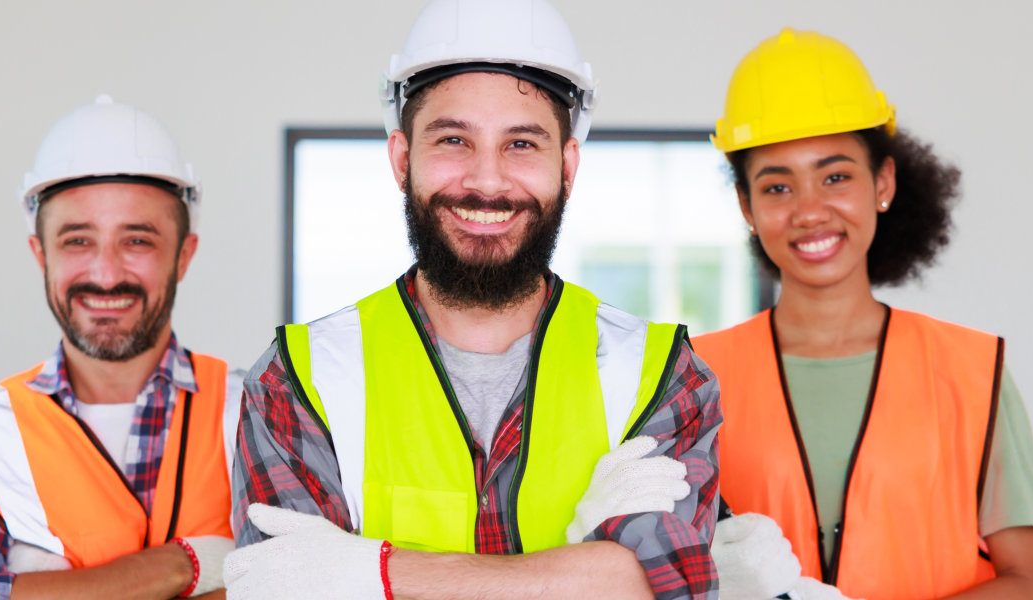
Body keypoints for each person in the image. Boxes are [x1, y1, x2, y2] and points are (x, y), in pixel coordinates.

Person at [221, 1, 722, 598]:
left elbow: (670, 588)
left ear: (567, 166)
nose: (486, 181)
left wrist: (374, 572)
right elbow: (279, 588)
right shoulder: (297, 381)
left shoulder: (663, 376)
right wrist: (585, 574)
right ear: (403, 159)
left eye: (522, 144)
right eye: (454, 139)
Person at [695, 29, 1033, 600]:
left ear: (882, 183)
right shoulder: (695, 375)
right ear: (747, 207)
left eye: (835, 176)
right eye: (777, 187)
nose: (810, 211)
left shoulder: (970, 370)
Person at [0, 95, 237, 599]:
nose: (107, 274)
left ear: (183, 255)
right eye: (77, 241)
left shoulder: (254, 412)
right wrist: (183, 565)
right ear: (40, 254)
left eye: (137, 241)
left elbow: (303, 585)